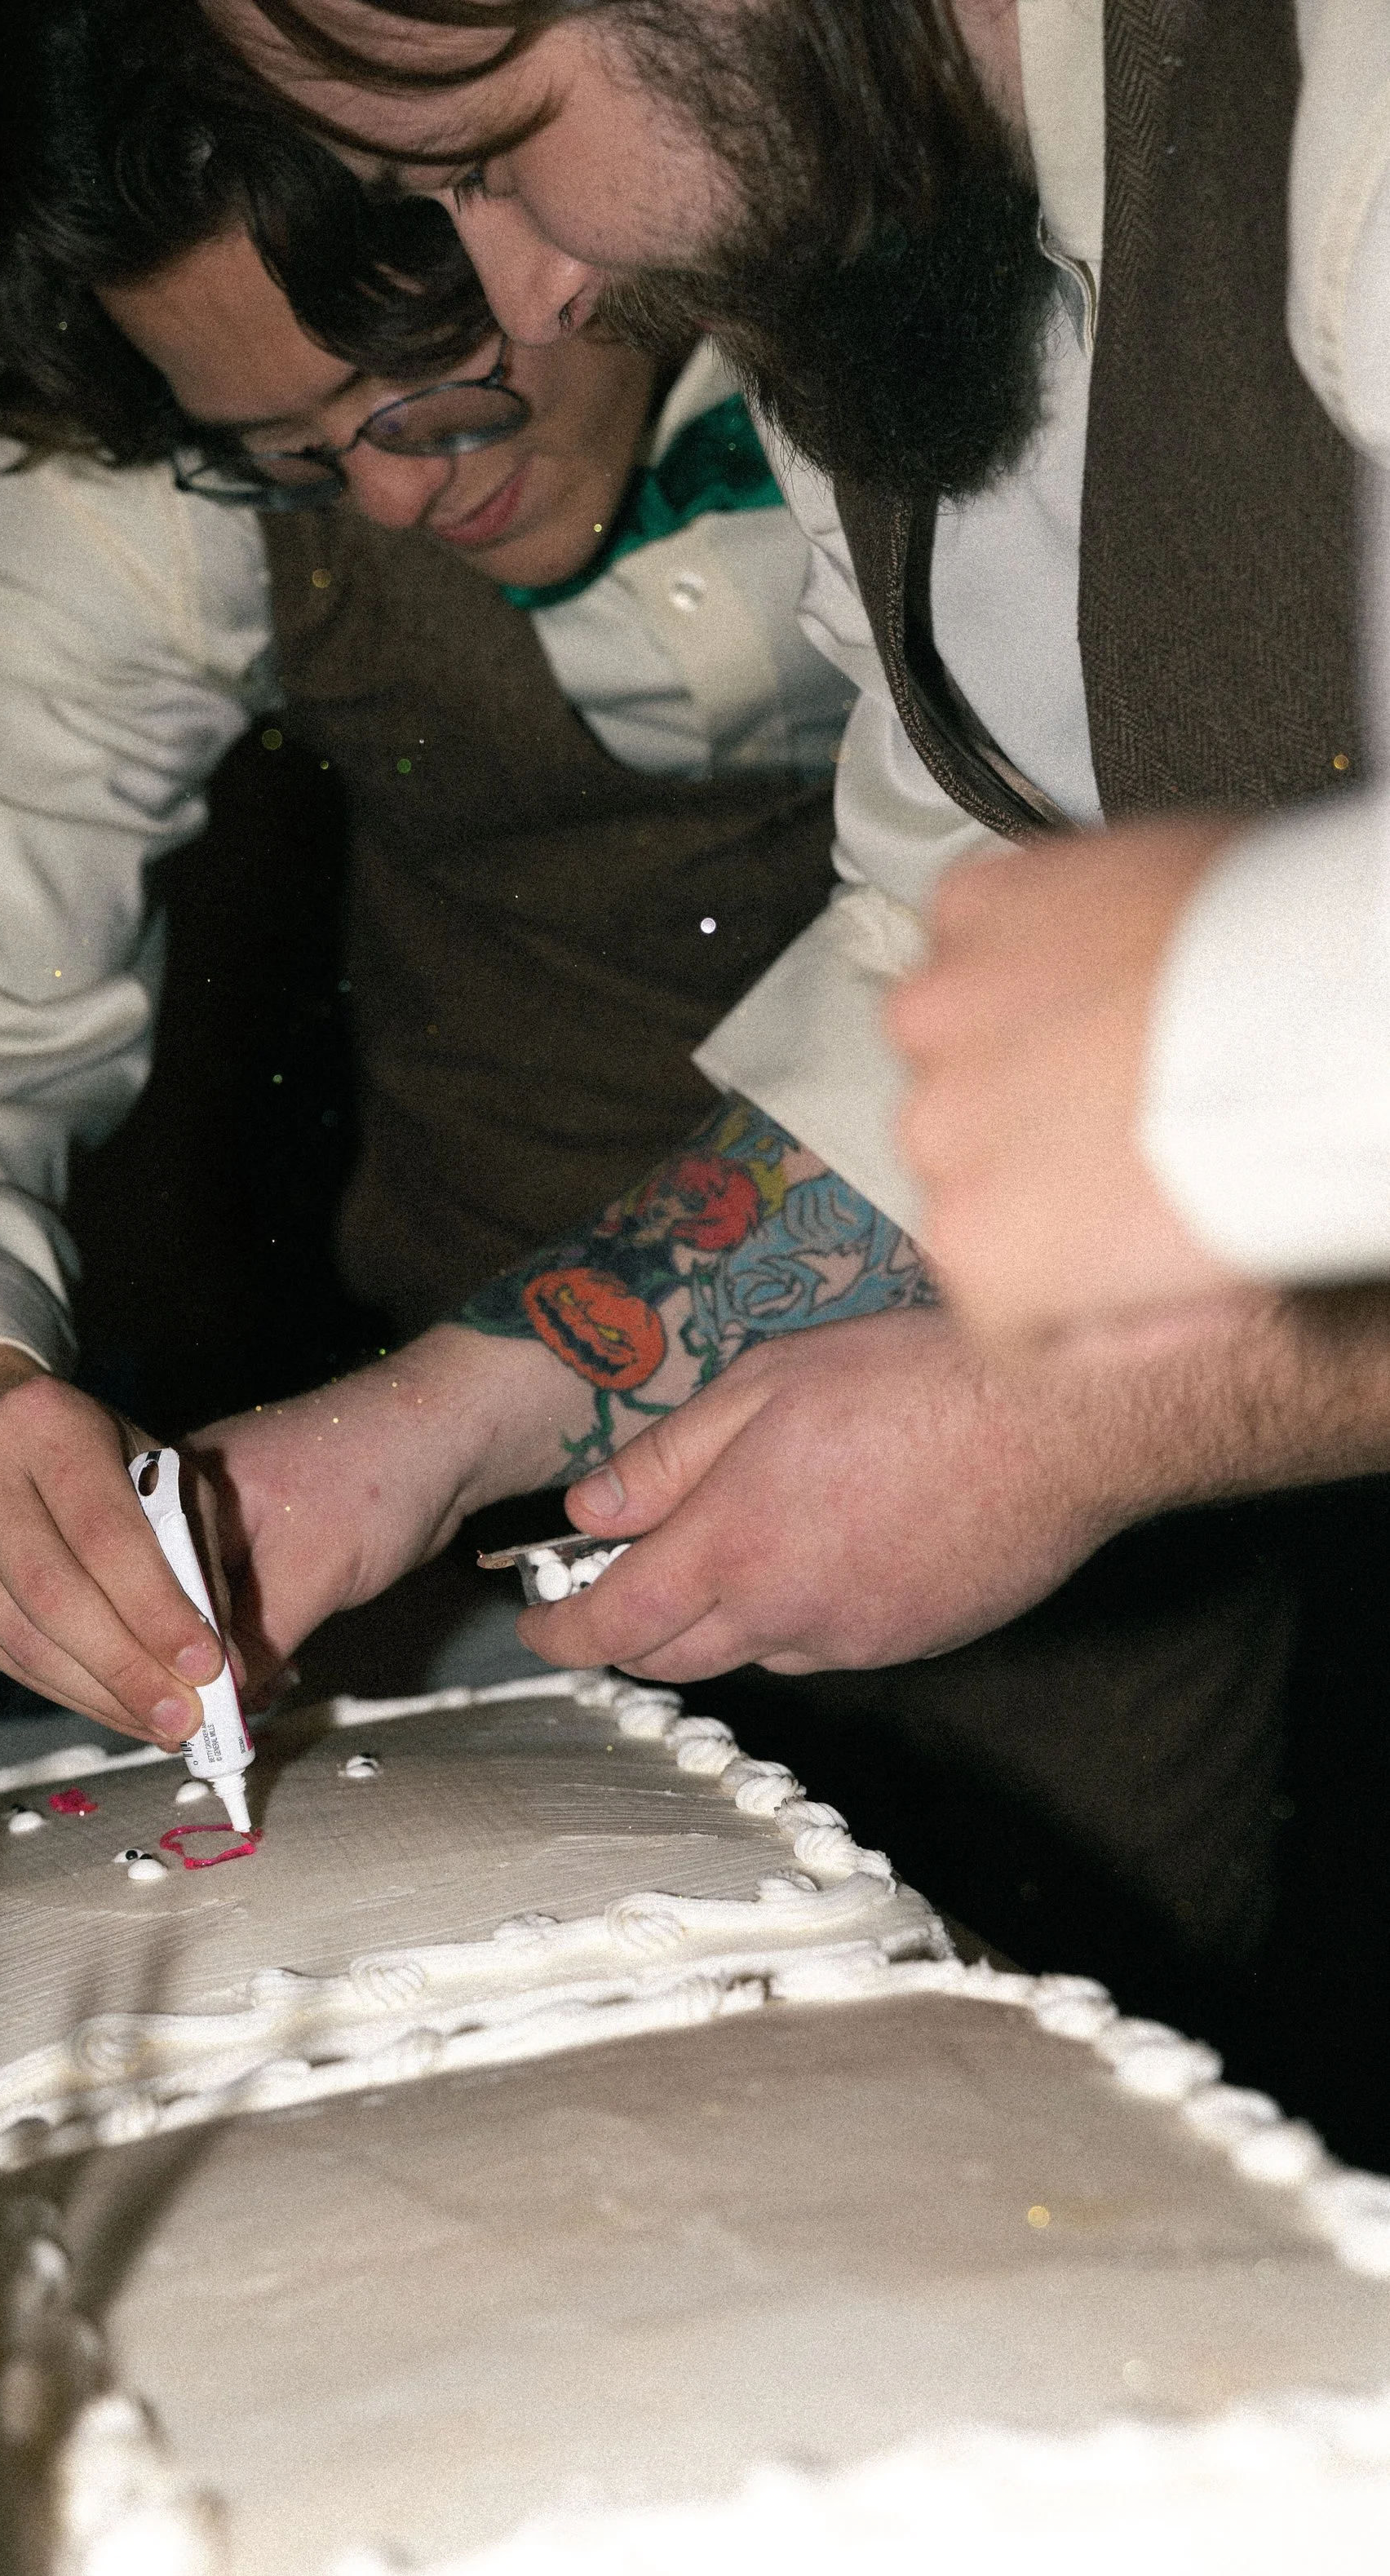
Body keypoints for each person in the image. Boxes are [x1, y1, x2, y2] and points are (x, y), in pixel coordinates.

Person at [165, 0, 1390, 2095]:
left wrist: (1074, 1434)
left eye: (491, 152)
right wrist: (440, 1425)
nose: (533, 286)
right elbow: (933, 935)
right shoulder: (855, 215)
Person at [0, 0, 857, 1746]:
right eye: (283, 454)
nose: (390, 504)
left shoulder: (875, 227)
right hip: (499, 1463)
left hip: (1052, 1376)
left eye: (414, 387)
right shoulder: (127, 467)